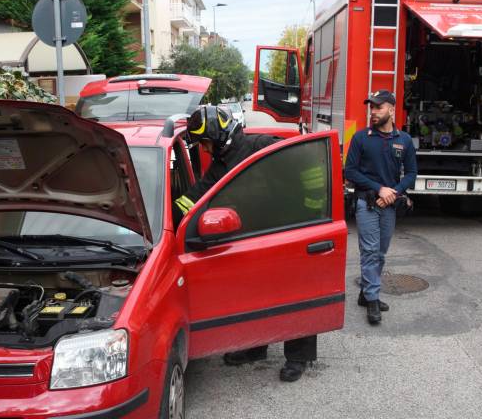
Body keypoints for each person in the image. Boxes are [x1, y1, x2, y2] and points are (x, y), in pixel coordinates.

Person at [174, 105, 319, 383]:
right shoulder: (221, 163)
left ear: (218, 137)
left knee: (296, 294)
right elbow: (198, 195)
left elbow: (308, 164)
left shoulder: (261, 146)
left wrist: (311, 212)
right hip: (253, 236)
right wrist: (171, 215)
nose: (204, 150)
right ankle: (255, 347)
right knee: (255, 294)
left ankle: (298, 358)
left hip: (288, 231)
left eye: (205, 142)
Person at [344, 90, 417, 325]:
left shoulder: (404, 140)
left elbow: (412, 173)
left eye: (378, 107)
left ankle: (366, 294)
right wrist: (379, 188)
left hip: (389, 205)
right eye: (371, 107)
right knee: (370, 252)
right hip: (366, 203)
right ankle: (373, 299)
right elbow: (351, 172)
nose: (373, 112)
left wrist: (393, 192)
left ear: (391, 110)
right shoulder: (360, 138)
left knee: (381, 252)